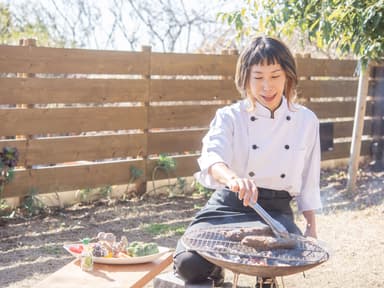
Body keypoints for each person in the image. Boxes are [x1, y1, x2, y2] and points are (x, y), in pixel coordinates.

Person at [173, 36, 322, 288]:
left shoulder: (306, 120)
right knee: (189, 265)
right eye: (258, 77)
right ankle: (215, 272)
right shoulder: (230, 116)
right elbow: (212, 158)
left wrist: (311, 226)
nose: (267, 86)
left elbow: (309, 180)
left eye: (275, 76)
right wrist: (233, 179)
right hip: (230, 204)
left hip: (275, 211)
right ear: (245, 79)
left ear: (288, 76)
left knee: (274, 259)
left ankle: (266, 281)